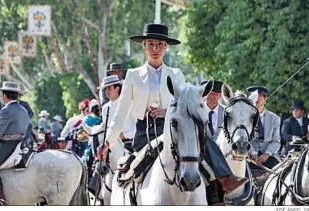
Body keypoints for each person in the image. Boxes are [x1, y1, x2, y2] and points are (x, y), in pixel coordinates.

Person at [97, 23, 248, 198]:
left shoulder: (176, 74)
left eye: (160, 44)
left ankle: (224, 180)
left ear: (166, 47)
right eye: (151, 44)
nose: (156, 48)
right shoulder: (133, 75)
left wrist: (165, 111)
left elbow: (184, 105)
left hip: (173, 129)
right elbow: (121, 111)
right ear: (144, 45)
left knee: (201, 143)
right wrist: (108, 141)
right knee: (134, 169)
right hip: (144, 133)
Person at [0, 82, 31, 204]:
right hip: (21, 145)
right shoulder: (24, 110)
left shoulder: (6, 110)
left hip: (7, 146)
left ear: (5, 96)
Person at [246, 86, 281, 169]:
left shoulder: (275, 118)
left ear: (265, 99)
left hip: (269, 157)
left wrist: (267, 153)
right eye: (253, 95)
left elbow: (276, 141)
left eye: (260, 95)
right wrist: (252, 153)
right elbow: (243, 139)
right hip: (249, 156)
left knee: (279, 172)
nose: (256, 98)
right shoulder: (244, 118)